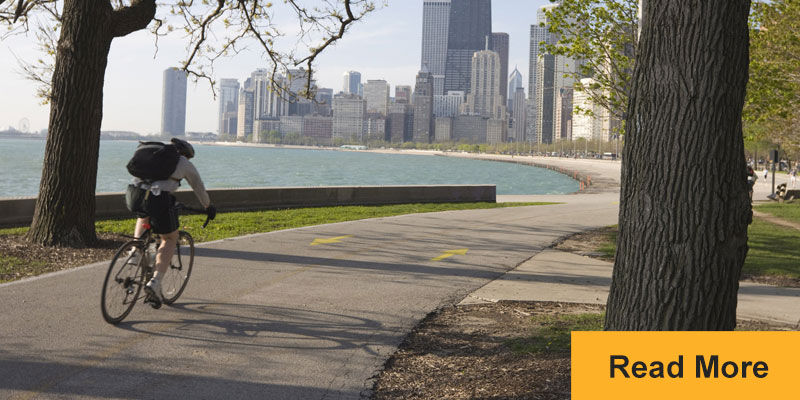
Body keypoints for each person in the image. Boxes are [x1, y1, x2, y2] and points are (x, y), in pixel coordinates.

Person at [130, 138, 216, 306]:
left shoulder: (153, 154)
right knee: (169, 238)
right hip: (158, 199)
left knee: (143, 215)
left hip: (134, 193)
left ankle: (135, 250)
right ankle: (155, 283)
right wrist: (208, 206)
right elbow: (198, 186)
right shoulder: (182, 161)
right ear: (186, 154)